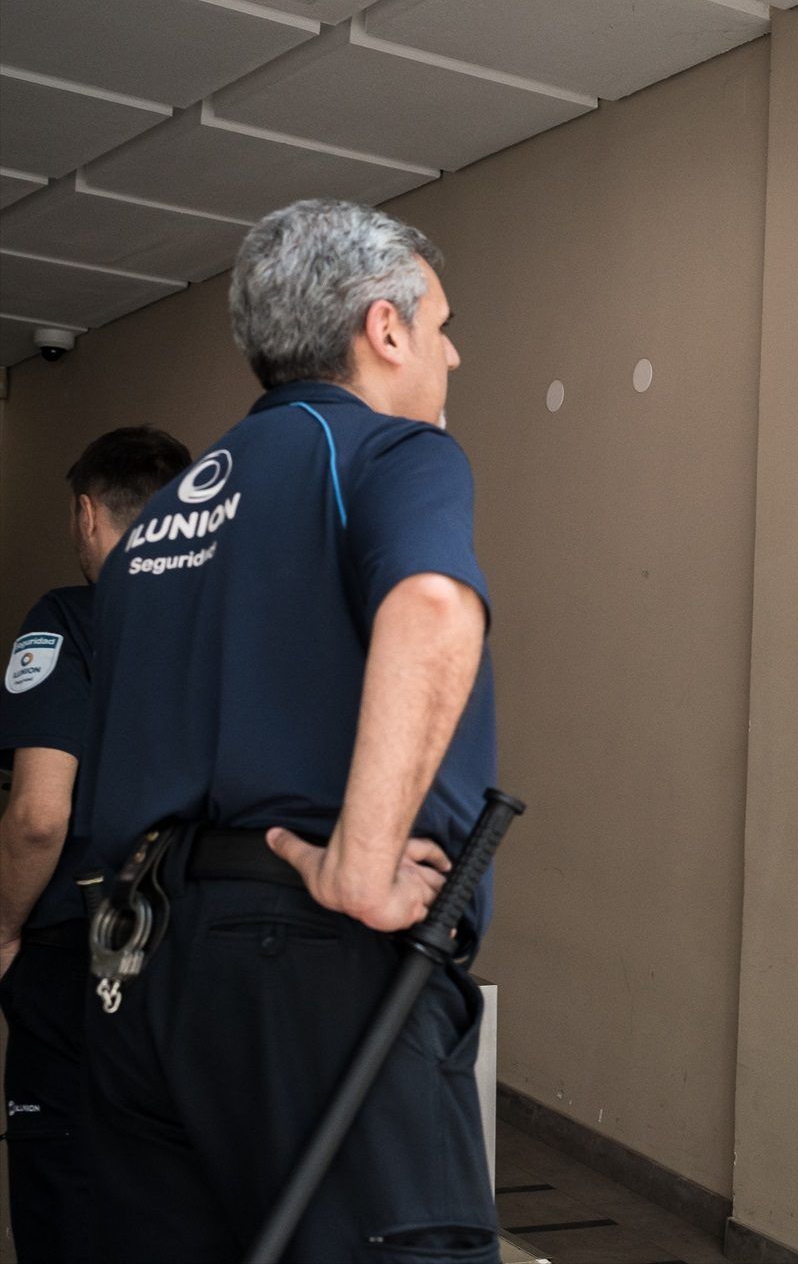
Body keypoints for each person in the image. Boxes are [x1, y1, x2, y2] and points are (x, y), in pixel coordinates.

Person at [74, 198, 501, 1263]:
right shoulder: (391, 453)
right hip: (312, 964)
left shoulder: (153, 528)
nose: (452, 353)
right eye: (442, 325)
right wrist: (360, 863)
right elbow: (433, 606)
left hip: (144, 971)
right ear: (384, 328)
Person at [0, 426, 191, 1263]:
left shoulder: (69, 620)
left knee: (66, 1186)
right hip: (201, 947)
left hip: (79, 948)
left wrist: (3, 927)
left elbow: (39, 813)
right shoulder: (231, 620)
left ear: (86, 514)